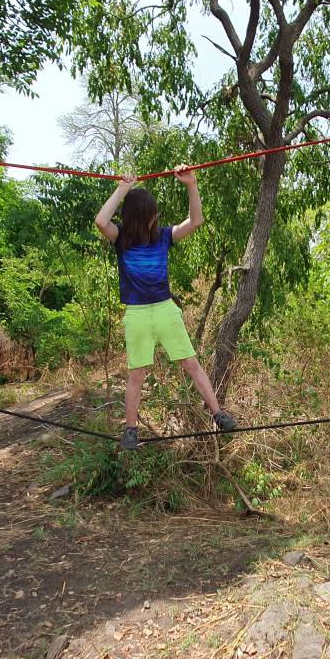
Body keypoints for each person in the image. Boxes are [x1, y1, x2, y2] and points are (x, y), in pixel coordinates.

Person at [95, 165, 236, 451]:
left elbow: (195, 221)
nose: (155, 218)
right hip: (136, 313)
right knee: (137, 373)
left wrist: (191, 184)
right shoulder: (120, 238)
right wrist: (122, 189)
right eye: (152, 214)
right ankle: (130, 429)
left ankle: (218, 413)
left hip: (164, 309)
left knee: (190, 363)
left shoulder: (162, 236)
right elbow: (100, 220)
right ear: (141, 216)